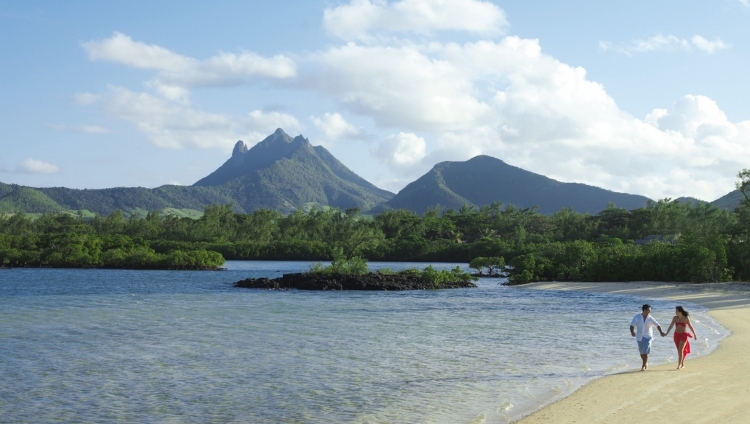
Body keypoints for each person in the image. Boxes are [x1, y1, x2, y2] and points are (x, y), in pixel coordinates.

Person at [630, 304, 665, 371]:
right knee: (641, 352)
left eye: (650, 310)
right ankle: (645, 362)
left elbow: (657, 325)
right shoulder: (637, 317)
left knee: (645, 351)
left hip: (648, 336)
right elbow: (632, 325)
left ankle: (643, 366)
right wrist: (632, 332)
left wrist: (661, 332)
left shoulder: (650, 318)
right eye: (648, 310)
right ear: (644, 310)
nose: (649, 312)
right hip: (639, 337)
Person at [664, 306, 698, 370]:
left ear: (680, 311)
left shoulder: (686, 318)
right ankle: (682, 364)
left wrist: (694, 334)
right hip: (676, 335)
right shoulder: (675, 318)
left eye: (676, 311)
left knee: (681, 349)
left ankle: (679, 365)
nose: (675, 312)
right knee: (679, 350)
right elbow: (671, 326)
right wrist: (666, 333)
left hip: (683, 335)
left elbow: (690, 326)